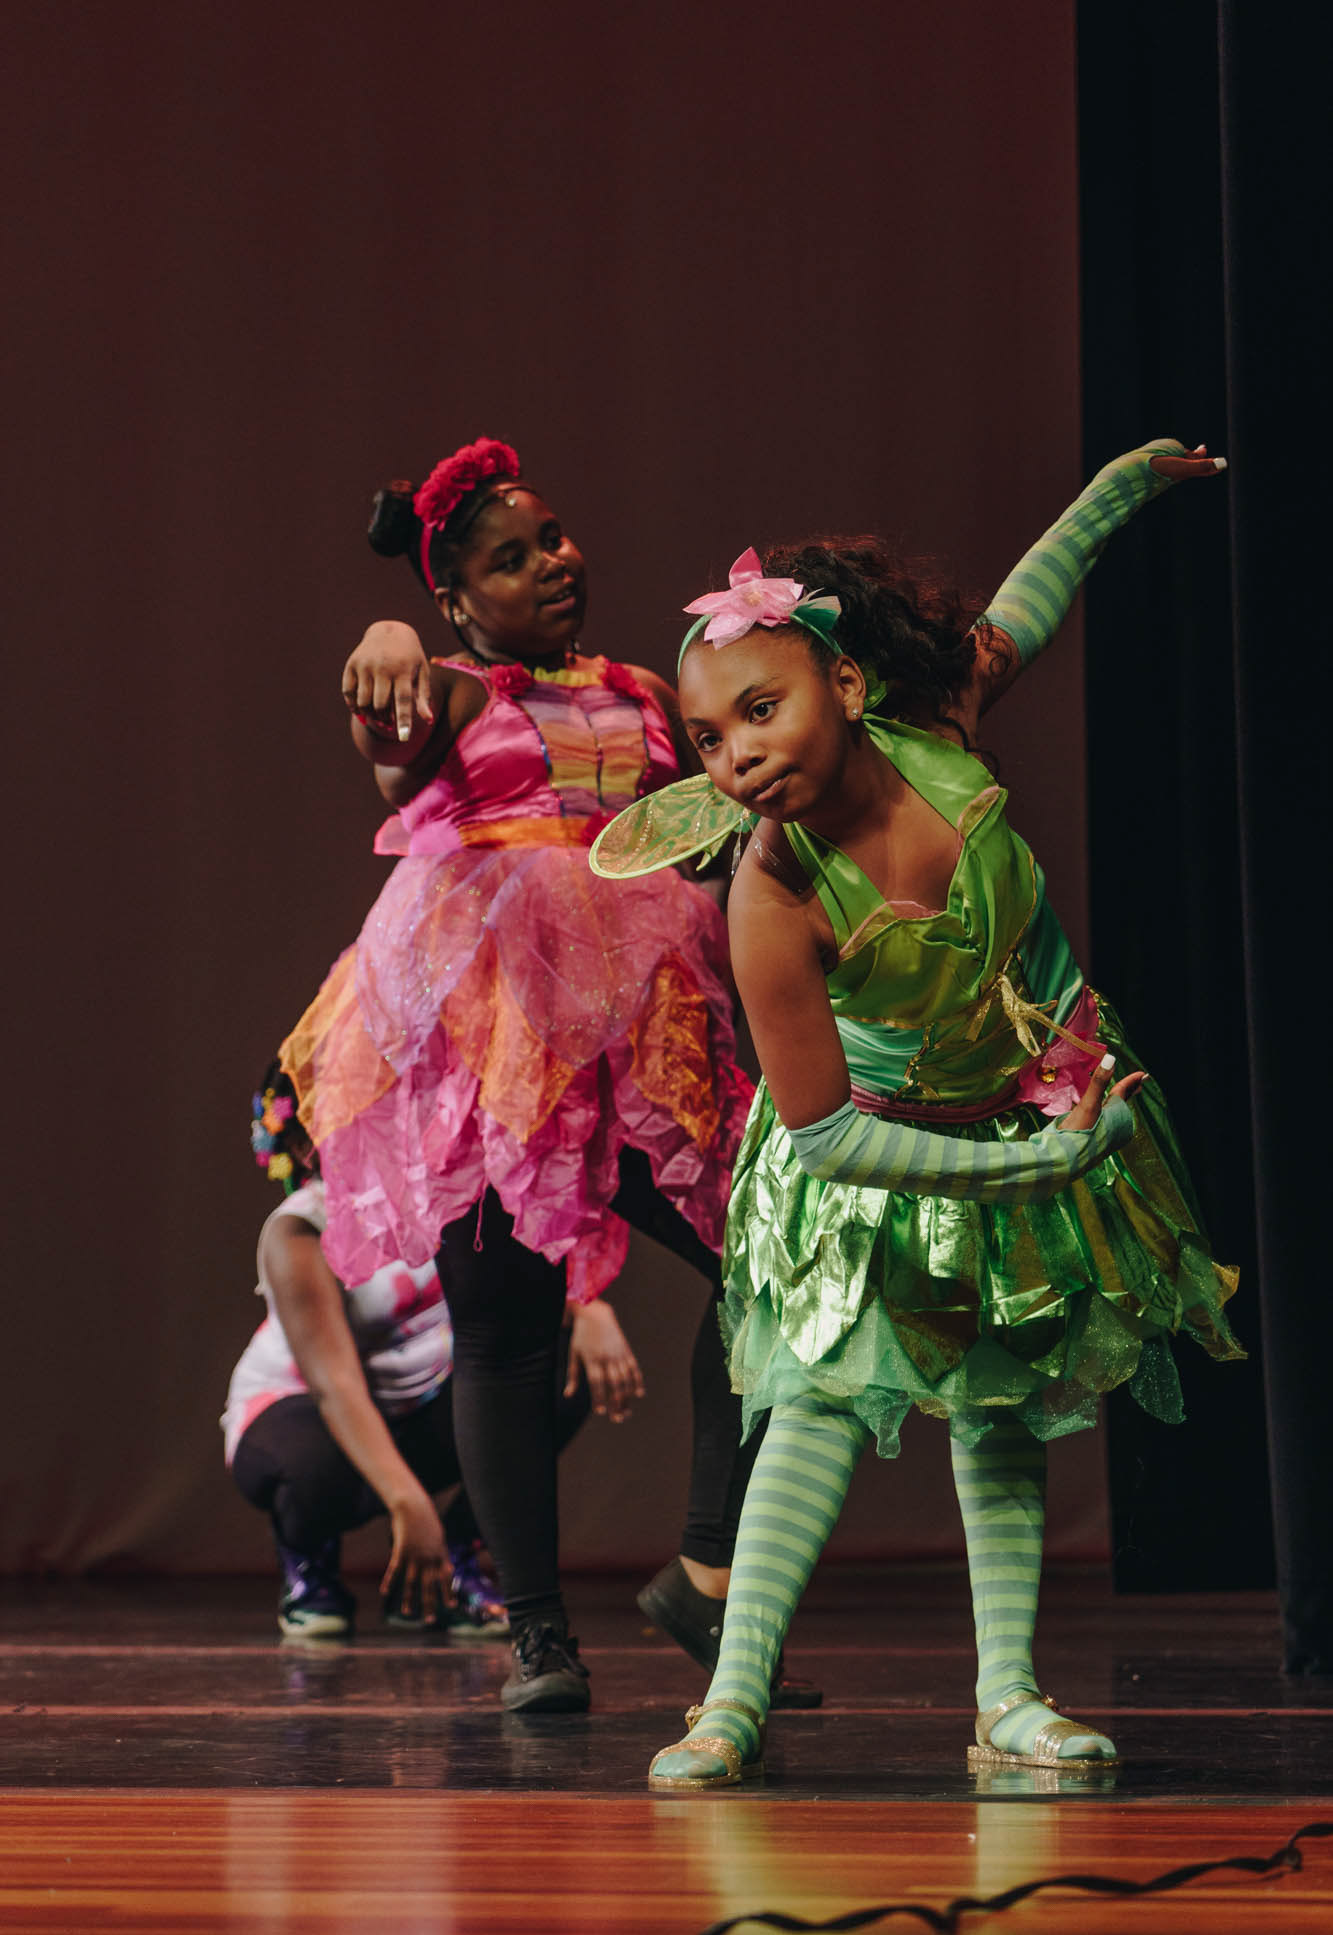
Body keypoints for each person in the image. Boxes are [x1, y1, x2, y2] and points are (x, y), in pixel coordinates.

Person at [589, 439, 1242, 1787]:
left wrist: (1120, 486)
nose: (736, 755)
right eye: (708, 739)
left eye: (760, 710)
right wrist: (1029, 1172)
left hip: (1023, 1101)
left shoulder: (937, 725)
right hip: (874, 1157)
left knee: (1002, 1398)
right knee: (816, 1401)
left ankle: (1008, 1697)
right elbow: (827, 1135)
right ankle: (730, 1703)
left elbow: (1026, 601)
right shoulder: (771, 893)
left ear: (846, 683)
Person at [279, 438, 816, 1713]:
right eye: (510, 560)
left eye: (553, 537)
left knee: (775, 1268)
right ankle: (536, 1636)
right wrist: (387, 641)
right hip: (500, 1056)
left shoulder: (644, 691)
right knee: (505, 1330)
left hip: (640, 1045)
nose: (551, 563)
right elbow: (391, 734)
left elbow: (710, 823)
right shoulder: (452, 692)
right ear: (457, 598)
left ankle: (706, 1571)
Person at [226, 1064, 603, 1639]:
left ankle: (455, 1555)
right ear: (305, 1147)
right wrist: (410, 1504)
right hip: (307, 1408)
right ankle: (310, 1561)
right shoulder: (299, 1230)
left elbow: (521, 1285)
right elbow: (335, 1386)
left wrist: (592, 1310)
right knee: (312, 1469)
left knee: (560, 1367)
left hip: (417, 1403)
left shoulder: (439, 1191)